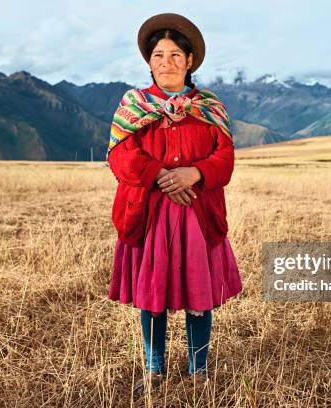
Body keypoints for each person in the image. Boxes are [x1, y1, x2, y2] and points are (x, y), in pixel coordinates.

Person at [106, 13, 243, 395]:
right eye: (158, 56)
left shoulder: (209, 107)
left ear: (189, 62)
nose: (166, 63)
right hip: (150, 215)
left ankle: (198, 368)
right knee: (153, 293)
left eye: (175, 56)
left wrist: (194, 174)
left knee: (199, 295)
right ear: (149, 62)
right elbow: (120, 156)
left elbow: (225, 159)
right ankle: (154, 368)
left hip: (197, 215)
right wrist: (161, 177)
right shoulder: (134, 106)